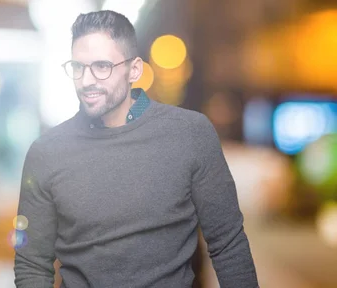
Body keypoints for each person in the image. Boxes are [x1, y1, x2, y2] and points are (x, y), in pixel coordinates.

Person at [13, 10, 258, 288]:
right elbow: (32, 263)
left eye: (102, 66)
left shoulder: (190, 135)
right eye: (78, 67)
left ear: (135, 70)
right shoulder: (47, 153)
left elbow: (228, 244)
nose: (87, 80)